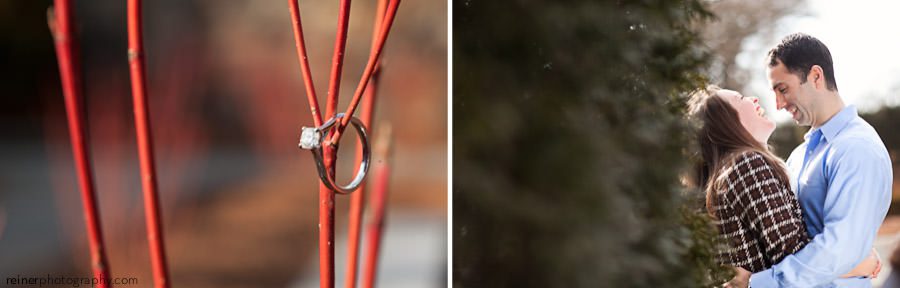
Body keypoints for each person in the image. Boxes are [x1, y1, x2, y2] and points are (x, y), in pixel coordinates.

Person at [725, 33, 894, 287]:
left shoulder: (857, 149)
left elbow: (839, 251)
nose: (779, 104)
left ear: (816, 76)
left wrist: (757, 283)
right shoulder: (799, 155)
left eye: (783, 89)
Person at [687, 86, 879, 288]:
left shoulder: (723, 176)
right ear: (726, 124)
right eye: (740, 98)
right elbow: (792, 255)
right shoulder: (747, 165)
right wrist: (858, 263)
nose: (753, 98)